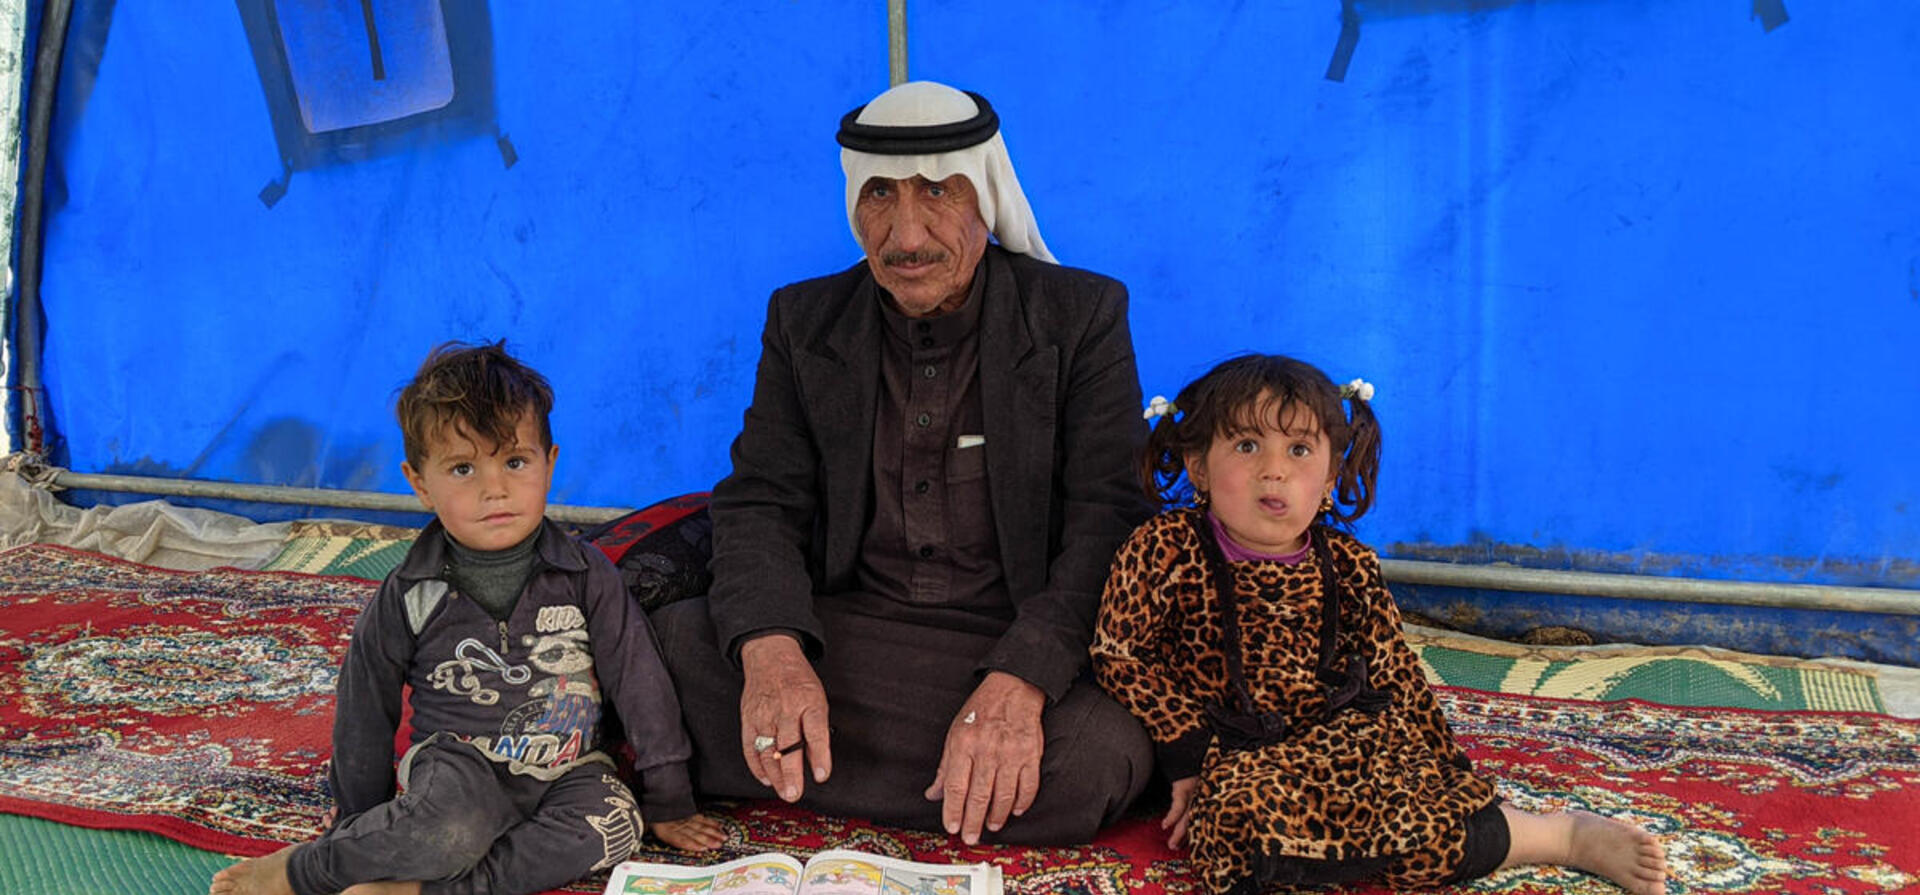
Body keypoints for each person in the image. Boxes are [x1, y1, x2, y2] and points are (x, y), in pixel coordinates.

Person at [652, 80, 1154, 845]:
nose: (907, 235)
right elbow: (760, 500)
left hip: (1012, 638)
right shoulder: (804, 319)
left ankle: (806, 766)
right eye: (880, 194)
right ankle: (955, 781)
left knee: (1096, 754)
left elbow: (1110, 517)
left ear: (986, 195)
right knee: (667, 647)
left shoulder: (1079, 316)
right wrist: (774, 652)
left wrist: (1020, 681)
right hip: (847, 633)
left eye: (938, 191)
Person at [1091, 354, 1668, 895]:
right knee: (1235, 836)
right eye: (1247, 445)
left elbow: (1397, 675)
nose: (1274, 471)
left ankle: (1559, 835)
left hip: (1337, 738)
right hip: (1232, 749)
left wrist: (1444, 772)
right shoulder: (1165, 547)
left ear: (1330, 476)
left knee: (1426, 831)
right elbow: (1119, 652)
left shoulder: (1349, 565)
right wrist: (1189, 752)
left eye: (1299, 450)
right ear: (1199, 467)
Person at [212, 341, 724, 895]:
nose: (494, 489)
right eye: (462, 468)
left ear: (550, 464)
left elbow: (639, 681)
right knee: (449, 832)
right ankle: (306, 870)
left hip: (570, 769)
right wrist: (360, 824)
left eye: (515, 462)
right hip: (459, 769)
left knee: (618, 826)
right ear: (419, 483)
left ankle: (422, 892)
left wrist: (669, 797)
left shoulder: (585, 574)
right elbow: (365, 707)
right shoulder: (410, 591)